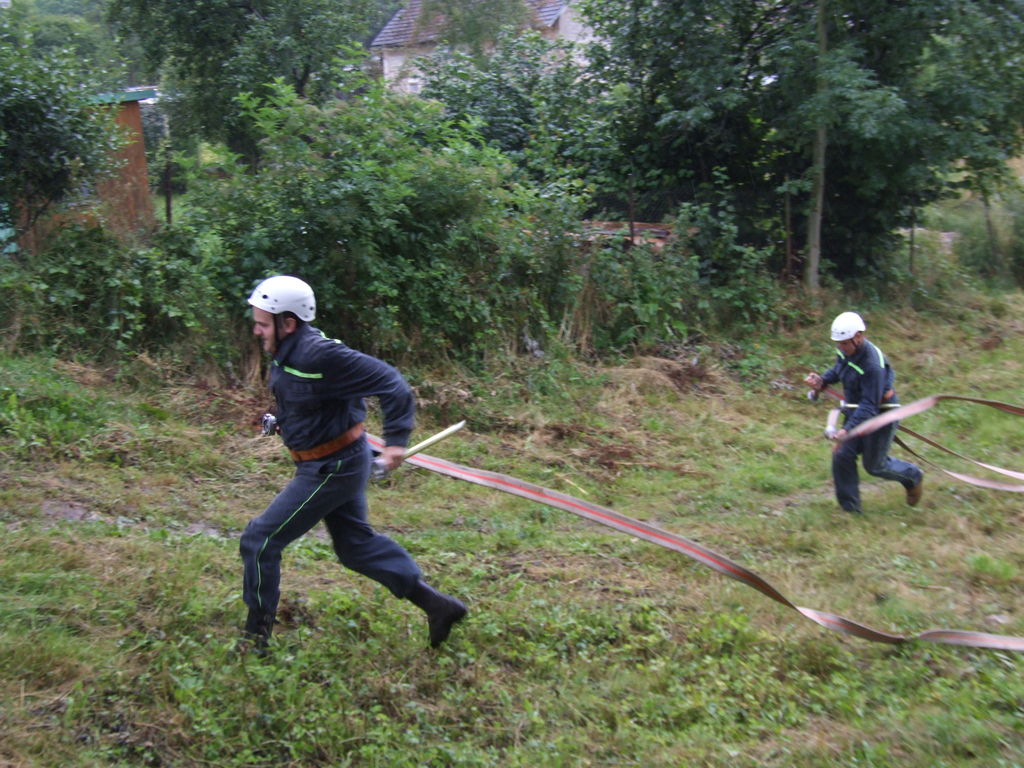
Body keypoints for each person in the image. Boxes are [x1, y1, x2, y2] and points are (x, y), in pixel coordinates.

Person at [240, 275, 467, 652]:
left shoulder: (320, 355)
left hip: (332, 467)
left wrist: (395, 442)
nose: (256, 331)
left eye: (263, 324)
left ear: (288, 323)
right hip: (334, 460)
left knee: (260, 540)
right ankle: (438, 606)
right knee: (354, 547)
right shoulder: (289, 354)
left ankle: (255, 639)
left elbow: (392, 384)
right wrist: (285, 421)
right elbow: (311, 398)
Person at [804, 311, 924, 514]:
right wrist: (822, 380)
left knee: (875, 466)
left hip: (880, 415)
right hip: (857, 410)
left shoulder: (872, 365)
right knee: (842, 454)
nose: (841, 348)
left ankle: (913, 476)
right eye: (838, 344)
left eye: (844, 343)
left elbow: (869, 405)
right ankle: (850, 510)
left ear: (858, 337)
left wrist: (847, 430)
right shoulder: (845, 351)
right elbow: (839, 369)